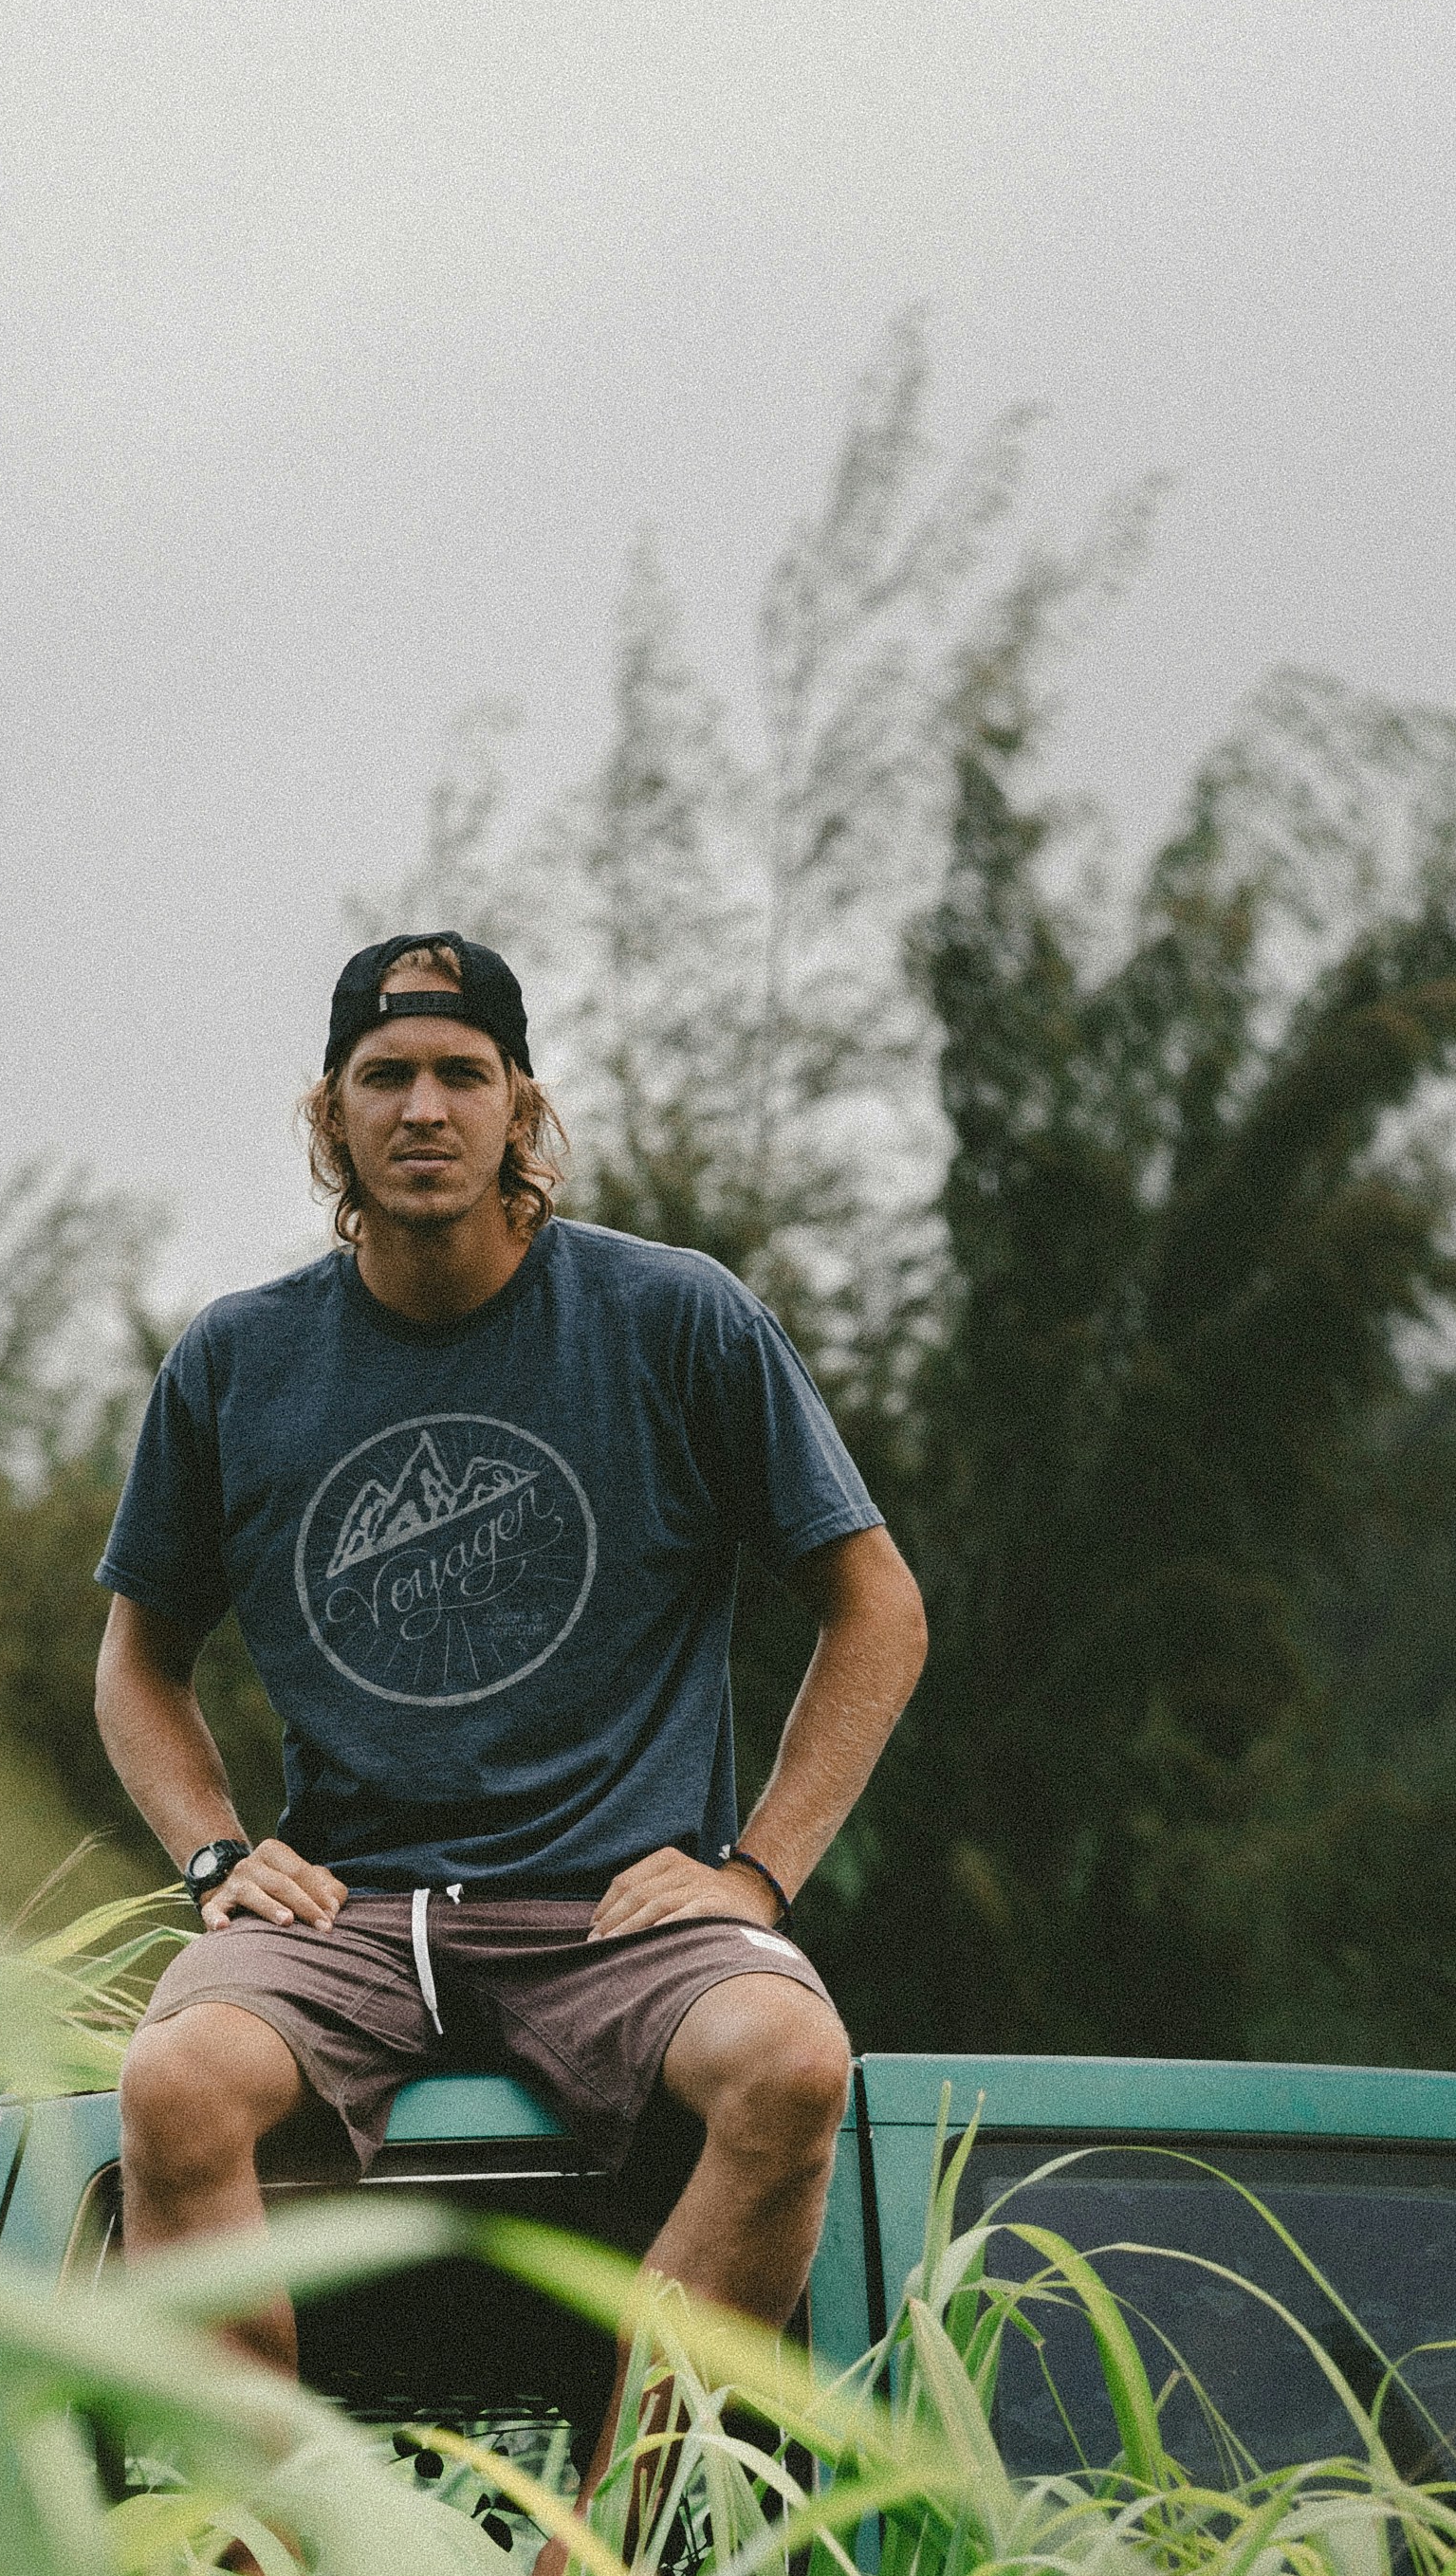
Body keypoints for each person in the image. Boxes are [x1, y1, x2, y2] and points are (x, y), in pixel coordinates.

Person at [92, 929, 928, 2464]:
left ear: (521, 1110)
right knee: (175, 2084)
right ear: (329, 1115)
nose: (424, 1109)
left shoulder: (672, 1320)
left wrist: (756, 1872)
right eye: (385, 1077)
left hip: (617, 1916)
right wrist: (217, 1853)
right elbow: (136, 1663)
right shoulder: (236, 1363)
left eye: (461, 1075)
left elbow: (877, 1607)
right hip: (351, 1919)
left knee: (795, 2065)